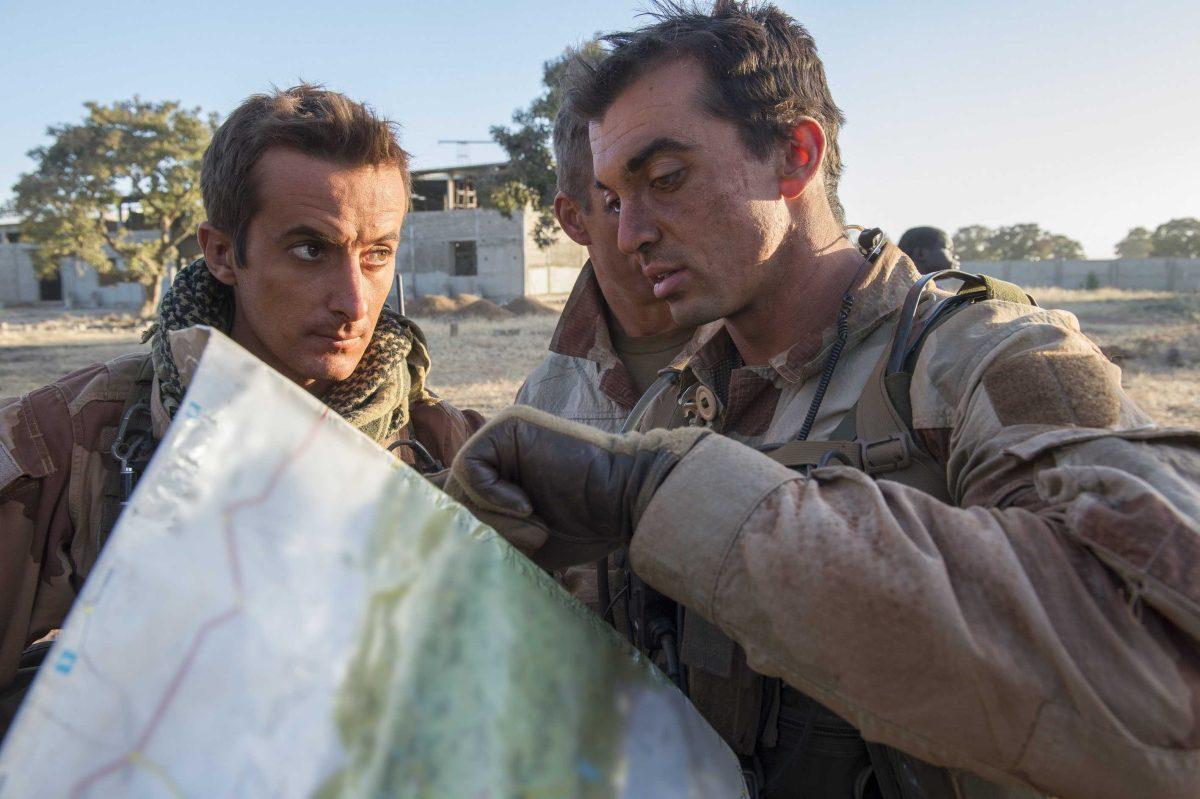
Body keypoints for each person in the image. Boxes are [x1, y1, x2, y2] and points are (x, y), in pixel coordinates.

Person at [445, 4, 1200, 798]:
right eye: (611, 196)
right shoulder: (672, 409)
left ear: (795, 156)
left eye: (665, 180)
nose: (630, 234)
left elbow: (1162, 668)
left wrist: (680, 499)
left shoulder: (983, 361)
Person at [0, 85, 481, 734]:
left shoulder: (449, 454)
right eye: (311, 249)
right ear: (222, 252)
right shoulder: (74, 442)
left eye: (377, 254)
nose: (355, 299)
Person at [516, 97, 703, 432]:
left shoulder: (759, 355)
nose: (642, 231)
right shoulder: (544, 402)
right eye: (615, 203)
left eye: (666, 181)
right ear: (574, 219)